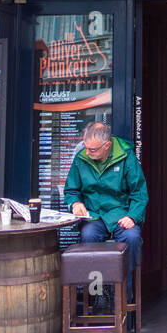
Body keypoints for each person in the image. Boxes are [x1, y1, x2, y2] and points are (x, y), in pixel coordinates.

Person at [63, 121, 148, 301]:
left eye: (92, 150)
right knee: (88, 236)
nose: (87, 153)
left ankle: (125, 295)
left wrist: (132, 216)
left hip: (121, 214)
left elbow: (139, 192)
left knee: (132, 238)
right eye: (86, 148)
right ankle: (97, 294)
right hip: (95, 215)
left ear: (107, 146)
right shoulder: (81, 159)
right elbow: (71, 190)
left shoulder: (126, 157)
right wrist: (75, 203)